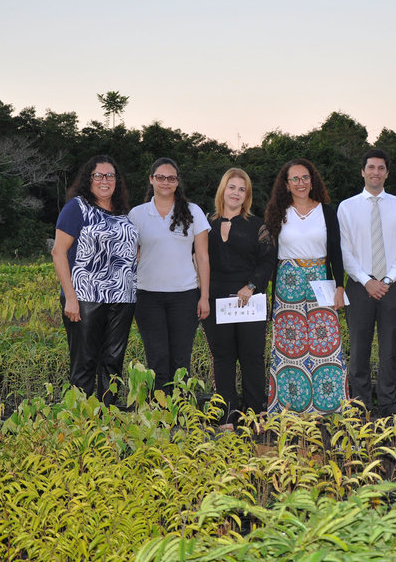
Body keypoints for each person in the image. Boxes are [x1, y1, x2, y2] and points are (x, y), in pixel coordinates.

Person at [51, 155, 138, 406]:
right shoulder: (76, 208)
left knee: (112, 361)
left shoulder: (124, 212)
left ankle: (107, 415)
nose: (104, 180)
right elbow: (58, 252)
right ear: (88, 179)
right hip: (86, 297)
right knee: (85, 361)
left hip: (123, 298)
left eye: (110, 176)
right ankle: (81, 421)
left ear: (117, 181)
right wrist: (70, 297)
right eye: (98, 175)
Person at [264, 158, 347, 414]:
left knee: (327, 345)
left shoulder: (327, 211)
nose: (301, 183)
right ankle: (289, 408)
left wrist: (341, 287)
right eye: (295, 179)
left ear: (313, 181)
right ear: (286, 184)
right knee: (289, 347)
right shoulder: (277, 212)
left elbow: (336, 252)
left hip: (321, 281)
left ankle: (330, 408)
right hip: (287, 288)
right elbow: (270, 254)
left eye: (305, 178)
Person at [337, 148, 396, 417]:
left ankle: (388, 405)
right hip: (360, 287)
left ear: (387, 173)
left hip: (393, 286)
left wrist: (388, 279)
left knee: (389, 351)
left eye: (381, 168)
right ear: (363, 171)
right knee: (358, 350)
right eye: (371, 167)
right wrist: (367, 281)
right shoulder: (346, 207)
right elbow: (344, 252)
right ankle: (360, 406)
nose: (375, 172)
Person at [201, 168, 277, 426]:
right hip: (214, 298)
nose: (236, 193)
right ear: (223, 189)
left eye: (242, 189)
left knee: (252, 356)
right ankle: (226, 415)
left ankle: (255, 413)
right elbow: (196, 258)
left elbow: (267, 261)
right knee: (222, 357)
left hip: (249, 298)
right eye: (232, 187)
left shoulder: (258, 225)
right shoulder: (205, 224)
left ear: (247, 196)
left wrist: (252, 285)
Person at [129, 157, 210, 392]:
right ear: (151, 179)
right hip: (148, 297)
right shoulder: (137, 214)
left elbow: (203, 257)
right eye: (160, 177)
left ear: (177, 182)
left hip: (184, 296)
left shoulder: (193, 211)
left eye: (171, 178)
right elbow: (131, 255)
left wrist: (203, 296)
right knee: (157, 359)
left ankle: (182, 411)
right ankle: (161, 416)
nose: (166, 182)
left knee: (181, 359)